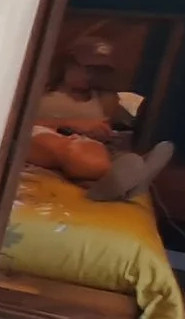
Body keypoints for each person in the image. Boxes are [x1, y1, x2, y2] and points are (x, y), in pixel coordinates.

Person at [30, 34, 174, 201]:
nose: (92, 75)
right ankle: (124, 181)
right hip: (43, 138)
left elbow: (121, 131)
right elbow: (12, 126)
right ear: (67, 64)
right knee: (72, 151)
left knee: (105, 153)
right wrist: (70, 123)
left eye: (99, 71)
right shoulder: (39, 91)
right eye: (87, 68)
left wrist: (109, 134)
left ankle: (117, 180)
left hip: (91, 144)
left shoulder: (107, 100)